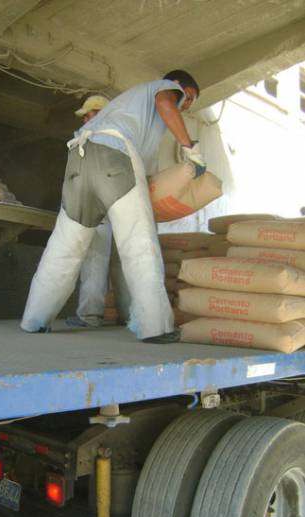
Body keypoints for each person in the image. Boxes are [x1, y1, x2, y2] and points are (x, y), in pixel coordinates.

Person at [21, 70, 204, 343]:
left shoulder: (132, 111)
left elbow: (145, 168)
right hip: (113, 155)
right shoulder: (164, 88)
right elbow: (167, 104)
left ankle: (34, 320)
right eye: (188, 97)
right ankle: (156, 326)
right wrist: (190, 148)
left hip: (78, 159)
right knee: (138, 242)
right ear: (178, 86)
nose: (186, 105)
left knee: (64, 247)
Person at [67, 94, 114, 328]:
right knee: (96, 261)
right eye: (84, 116)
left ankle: (89, 315)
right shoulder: (111, 139)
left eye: (89, 114)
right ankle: (94, 314)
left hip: (93, 208)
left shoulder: (99, 139)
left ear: (102, 114)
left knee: (93, 260)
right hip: (97, 207)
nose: (85, 119)